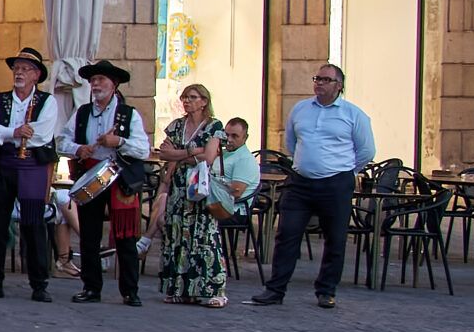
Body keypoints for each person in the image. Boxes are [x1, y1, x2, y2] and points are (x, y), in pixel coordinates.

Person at [253, 63, 375, 309]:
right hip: (301, 183)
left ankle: (326, 290)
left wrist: (345, 171)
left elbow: (366, 151)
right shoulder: (300, 109)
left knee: (335, 237)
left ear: (338, 86)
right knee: (287, 234)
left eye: (326, 79)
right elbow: (291, 142)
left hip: (336, 183)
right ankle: (275, 289)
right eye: (317, 78)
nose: (319, 83)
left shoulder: (353, 114)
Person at [0, 44, 65, 301]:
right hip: (3, 165)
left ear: (36, 75)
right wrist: (12, 133)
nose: (19, 73)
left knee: (34, 225)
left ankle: (39, 284)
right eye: (16, 68)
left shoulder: (47, 102)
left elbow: (41, 135)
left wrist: (3, 133)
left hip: (32, 167)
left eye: (25, 69)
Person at [67, 59, 150, 306]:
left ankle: (130, 290)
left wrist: (119, 142)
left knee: (125, 237)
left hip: (119, 177)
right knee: (89, 235)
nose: (95, 84)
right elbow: (61, 140)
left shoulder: (129, 114)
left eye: (100, 79)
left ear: (113, 85)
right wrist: (78, 148)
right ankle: (91, 287)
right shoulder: (81, 113)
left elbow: (143, 150)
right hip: (91, 175)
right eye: (93, 80)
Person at [156, 83, 228, 307]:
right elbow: (165, 153)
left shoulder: (214, 126)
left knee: (204, 236)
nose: (187, 101)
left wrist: (181, 156)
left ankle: (212, 289)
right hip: (178, 187)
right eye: (185, 97)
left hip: (200, 186)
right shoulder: (177, 126)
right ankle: (180, 288)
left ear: (204, 101)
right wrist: (190, 152)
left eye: (193, 97)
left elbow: (208, 157)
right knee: (177, 235)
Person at [212, 116, 260, 225]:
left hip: (234, 210)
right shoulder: (224, 153)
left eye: (235, 136)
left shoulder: (244, 159)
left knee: (195, 214)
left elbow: (236, 192)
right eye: (226, 134)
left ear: (245, 138)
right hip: (219, 204)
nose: (229, 139)